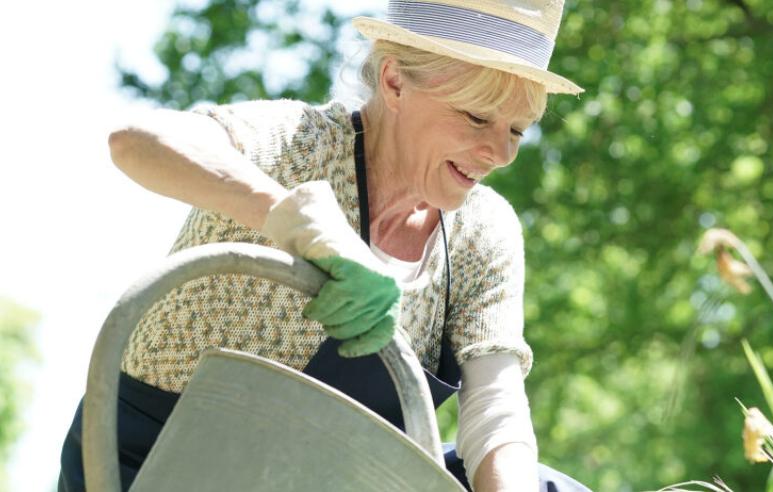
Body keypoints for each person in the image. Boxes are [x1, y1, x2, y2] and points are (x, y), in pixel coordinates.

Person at [57, 1, 590, 491]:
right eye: (477, 117)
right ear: (395, 81)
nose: (499, 152)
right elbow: (137, 141)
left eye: (517, 130)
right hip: (155, 467)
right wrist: (297, 219)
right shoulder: (298, 145)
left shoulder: (482, 232)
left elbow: (495, 409)